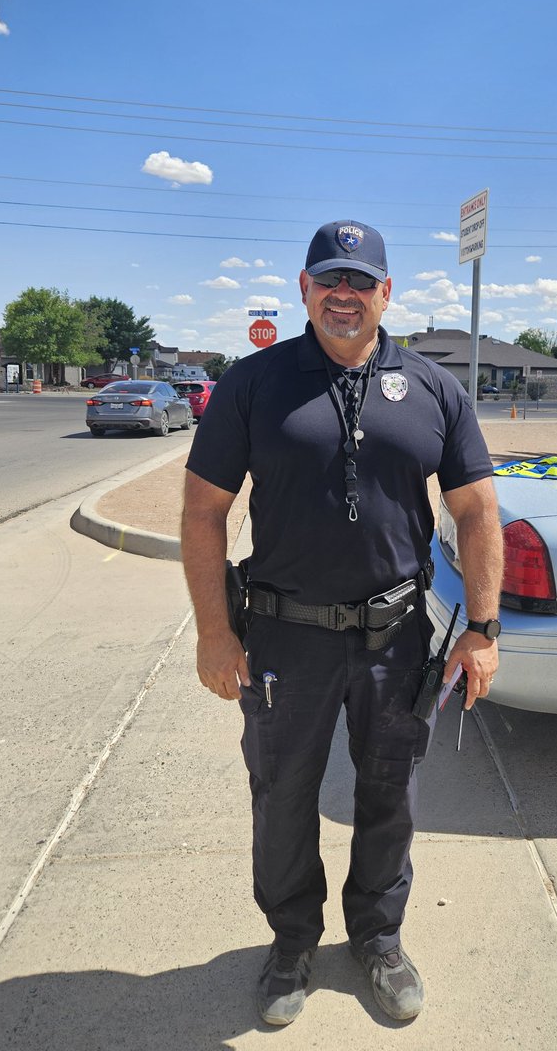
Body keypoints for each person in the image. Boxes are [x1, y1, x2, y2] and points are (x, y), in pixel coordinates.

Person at [181, 220, 503, 1026]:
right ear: (304, 289)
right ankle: (292, 940)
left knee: (389, 793)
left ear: (387, 293)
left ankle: (378, 937)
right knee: (281, 793)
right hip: (284, 635)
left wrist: (482, 630)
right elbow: (202, 511)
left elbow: (477, 511)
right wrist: (215, 633)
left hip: (398, 639)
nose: (345, 295)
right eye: (330, 279)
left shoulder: (434, 389)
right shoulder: (253, 385)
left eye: (361, 281)